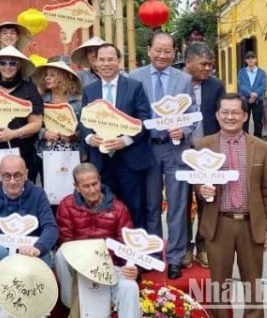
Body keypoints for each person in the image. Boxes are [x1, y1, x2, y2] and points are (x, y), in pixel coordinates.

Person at [196, 93, 267, 317]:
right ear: (217, 115)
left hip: (250, 225)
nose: (230, 117)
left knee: (253, 286)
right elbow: (195, 185)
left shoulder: (261, 148)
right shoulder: (203, 146)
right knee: (219, 286)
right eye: (225, 112)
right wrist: (202, 191)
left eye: (235, 112)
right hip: (219, 224)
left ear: (244, 115)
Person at [129, 31, 196, 279]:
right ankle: (154, 254)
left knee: (178, 205)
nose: (162, 55)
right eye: (158, 50)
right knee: (151, 205)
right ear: (149, 50)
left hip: (176, 148)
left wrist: (185, 129)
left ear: (174, 52)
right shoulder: (135, 78)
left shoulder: (184, 80)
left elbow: (193, 113)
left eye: (168, 51)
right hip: (147, 148)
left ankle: (176, 257)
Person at [0, 154, 58, 318]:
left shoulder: (38, 194)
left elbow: (51, 228)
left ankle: (40, 308)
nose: (12, 181)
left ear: (26, 174)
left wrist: (38, 248)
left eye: (18, 175)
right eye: (6, 176)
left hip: (29, 253)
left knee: (44, 256)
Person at [80, 43, 154, 230]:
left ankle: (136, 254)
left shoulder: (134, 87)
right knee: (104, 210)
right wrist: (89, 138)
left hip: (130, 159)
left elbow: (144, 119)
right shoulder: (90, 90)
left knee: (135, 209)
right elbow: (83, 120)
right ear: (95, 62)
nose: (106, 64)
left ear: (119, 61)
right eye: (102, 60)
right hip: (101, 161)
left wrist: (125, 140)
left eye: (110, 59)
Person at [54, 163, 140, 318]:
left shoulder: (118, 208)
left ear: (100, 180)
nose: (92, 190)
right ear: (76, 186)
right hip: (79, 268)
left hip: (109, 267)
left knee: (130, 287)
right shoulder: (67, 205)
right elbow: (65, 242)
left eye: (95, 184)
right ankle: (70, 301)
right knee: (60, 254)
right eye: (86, 186)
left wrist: (131, 267)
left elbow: (127, 246)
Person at [0, 46, 43, 184]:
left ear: (19, 66)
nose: (7, 67)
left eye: (12, 63)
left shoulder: (29, 90)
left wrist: (14, 133)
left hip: (22, 150)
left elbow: (36, 123)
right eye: (3, 63)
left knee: (22, 191)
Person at [183, 42, 225, 268]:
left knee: (206, 201)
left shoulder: (216, 86)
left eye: (211, 64)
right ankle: (185, 247)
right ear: (189, 62)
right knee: (181, 202)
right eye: (204, 64)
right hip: (179, 153)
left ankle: (203, 245)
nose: (208, 68)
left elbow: (223, 117)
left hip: (207, 155)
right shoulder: (175, 84)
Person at [33, 60, 83, 159]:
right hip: (45, 151)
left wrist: (75, 135)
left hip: (73, 151)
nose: (47, 78)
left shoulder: (78, 101)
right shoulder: (39, 99)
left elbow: (84, 127)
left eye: (52, 75)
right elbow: (30, 123)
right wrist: (44, 133)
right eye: (46, 75)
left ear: (64, 77)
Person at [237, 51, 266, 138]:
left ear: (256, 59)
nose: (251, 60)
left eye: (252, 58)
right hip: (246, 100)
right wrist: (250, 94)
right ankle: (244, 139)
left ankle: (258, 139)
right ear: (246, 60)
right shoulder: (242, 72)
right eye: (248, 58)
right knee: (244, 120)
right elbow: (241, 85)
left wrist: (255, 94)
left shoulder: (262, 72)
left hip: (258, 100)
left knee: (258, 121)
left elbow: (263, 85)